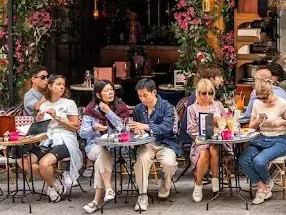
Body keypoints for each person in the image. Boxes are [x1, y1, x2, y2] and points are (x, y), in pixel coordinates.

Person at [25, 74, 82, 203]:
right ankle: (55, 179)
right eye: (58, 84)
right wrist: (38, 121)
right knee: (24, 162)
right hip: (47, 139)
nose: (62, 87)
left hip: (66, 139)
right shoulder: (44, 105)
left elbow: (75, 127)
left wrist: (58, 118)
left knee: (44, 163)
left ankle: (50, 187)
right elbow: (40, 129)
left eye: (63, 84)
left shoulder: (69, 103)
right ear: (50, 86)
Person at [79, 80, 132, 214]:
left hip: (115, 147)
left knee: (100, 161)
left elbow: (125, 129)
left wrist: (109, 112)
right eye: (106, 91)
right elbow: (82, 133)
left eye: (111, 90)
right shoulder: (90, 109)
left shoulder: (120, 106)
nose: (110, 93)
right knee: (101, 150)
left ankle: (96, 201)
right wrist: (93, 128)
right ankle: (108, 188)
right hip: (93, 146)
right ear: (98, 95)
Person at [240, 77, 286, 204]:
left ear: (271, 92)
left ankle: (265, 184)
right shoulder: (257, 104)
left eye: (265, 97)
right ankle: (263, 186)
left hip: (279, 139)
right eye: (260, 98)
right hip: (262, 138)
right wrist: (258, 121)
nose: (263, 100)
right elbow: (250, 125)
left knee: (259, 161)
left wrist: (283, 122)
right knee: (243, 159)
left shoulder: (282, 103)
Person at [130, 78, 180, 212]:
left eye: (145, 95)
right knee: (141, 160)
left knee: (169, 162)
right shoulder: (138, 109)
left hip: (166, 143)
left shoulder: (167, 107)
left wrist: (145, 126)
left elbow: (167, 127)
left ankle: (166, 183)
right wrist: (138, 129)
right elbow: (135, 127)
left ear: (154, 92)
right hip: (146, 143)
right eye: (140, 96)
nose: (142, 99)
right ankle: (142, 194)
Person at [185, 78, 225, 203]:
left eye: (210, 93)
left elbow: (225, 124)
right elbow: (190, 129)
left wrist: (218, 123)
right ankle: (199, 185)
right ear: (198, 93)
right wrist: (205, 129)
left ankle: (214, 178)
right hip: (200, 141)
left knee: (213, 149)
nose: (207, 96)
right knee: (203, 153)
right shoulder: (192, 108)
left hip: (217, 141)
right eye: (204, 93)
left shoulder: (217, 105)